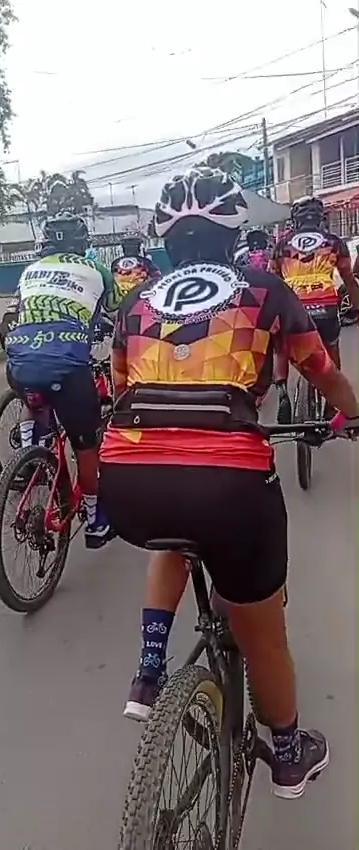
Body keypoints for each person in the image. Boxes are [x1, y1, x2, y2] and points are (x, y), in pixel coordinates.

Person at [99, 168, 359, 799]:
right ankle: (289, 753)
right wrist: (351, 414)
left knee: (169, 526)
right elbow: (319, 368)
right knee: (262, 631)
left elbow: (119, 384)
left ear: (165, 240)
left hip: (128, 480)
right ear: (235, 231)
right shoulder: (264, 289)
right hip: (230, 487)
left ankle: (149, 671)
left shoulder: (137, 302)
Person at [2, 212, 121, 549]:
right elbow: (117, 312)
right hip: (67, 367)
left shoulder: (30, 271)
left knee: (33, 395)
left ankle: (30, 454)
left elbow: (13, 312)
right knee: (86, 446)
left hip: (19, 362)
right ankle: (95, 521)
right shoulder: (97, 270)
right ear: (83, 243)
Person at [270, 196, 359, 422]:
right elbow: (349, 280)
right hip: (325, 306)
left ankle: (282, 392)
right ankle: (331, 406)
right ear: (321, 218)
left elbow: (273, 282)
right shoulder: (334, 242)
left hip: (292, 307)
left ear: (295, 220)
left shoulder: (281, 246)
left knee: (282, 347)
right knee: (331, 350)